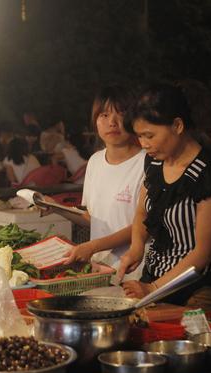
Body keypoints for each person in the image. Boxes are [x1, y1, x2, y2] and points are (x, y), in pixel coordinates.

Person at [117, 84, 211, 311]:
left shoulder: (210, 174)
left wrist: (153, 289)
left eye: (149, 135)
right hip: (154, 280)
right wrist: (137, 246)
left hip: (200, 289)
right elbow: (143, 212)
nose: (143, 144)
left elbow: (202, 254)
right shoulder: (154, 161)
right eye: (139, 136)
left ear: (178, 125)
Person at [62, 85, 145, 277]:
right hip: (100, 271)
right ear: (95, 120)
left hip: (135, 271)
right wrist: (56, 208)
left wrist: (93, 246)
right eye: (104, 115)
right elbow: (92, 218)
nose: (112, 123)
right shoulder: (95, 161)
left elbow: (144, 225)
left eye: (121, 113)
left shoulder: (147, 163)